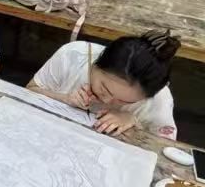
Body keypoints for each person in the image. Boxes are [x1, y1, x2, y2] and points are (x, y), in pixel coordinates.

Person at [27, 30, 180, 139]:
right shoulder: (74, 55)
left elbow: (165, 149)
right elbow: (29, 90)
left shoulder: (159, 99)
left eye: (124, 102)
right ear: (95, 64)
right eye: (104, 88)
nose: (106, 100)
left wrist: (133, 122)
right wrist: (64, 98)